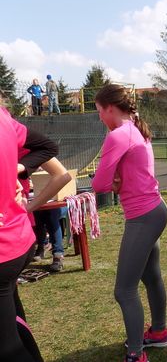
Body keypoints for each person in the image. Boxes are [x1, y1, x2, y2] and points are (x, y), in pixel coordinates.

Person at [92, 84, 167, 362]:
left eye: (100, 110)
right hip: (155, 210)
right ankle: (159, 332)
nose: (99, 116)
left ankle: (136, 354)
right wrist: (117, 180)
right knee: (150, 277)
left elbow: (99, 184)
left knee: (124, 290)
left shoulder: (118, 135)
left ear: (111, 108)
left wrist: (114, 182)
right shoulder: (135, 127)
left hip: (143, 216)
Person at [0, 105, 56, 362]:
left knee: (8, 349)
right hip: (18, 241)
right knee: (14, 326)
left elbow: (51, 156)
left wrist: (17, 169)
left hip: (6, 248)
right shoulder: (3, 117)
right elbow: (47, 147)